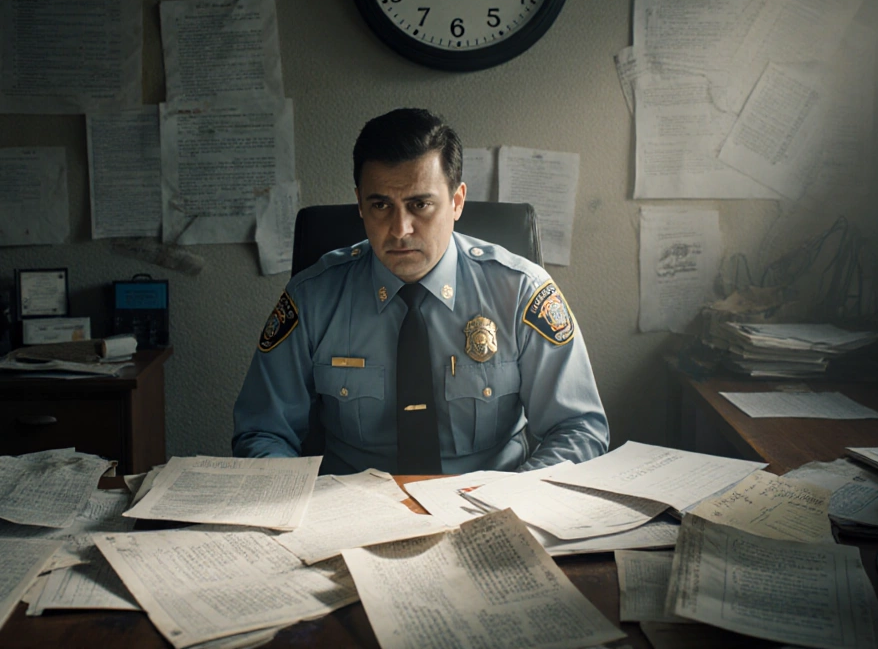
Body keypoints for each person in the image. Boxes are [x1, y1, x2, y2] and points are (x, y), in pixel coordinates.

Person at [232, 108, 609, 474]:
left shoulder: (521, 292)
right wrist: (303, 507)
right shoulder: (313, 297)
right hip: (351, 516)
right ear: (360, 205)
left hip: (488, 509)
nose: (400, 229)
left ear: (457, 201)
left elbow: (578, 429)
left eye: (420, 204)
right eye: (380, 205)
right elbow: (262, 433)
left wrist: (513, 502)